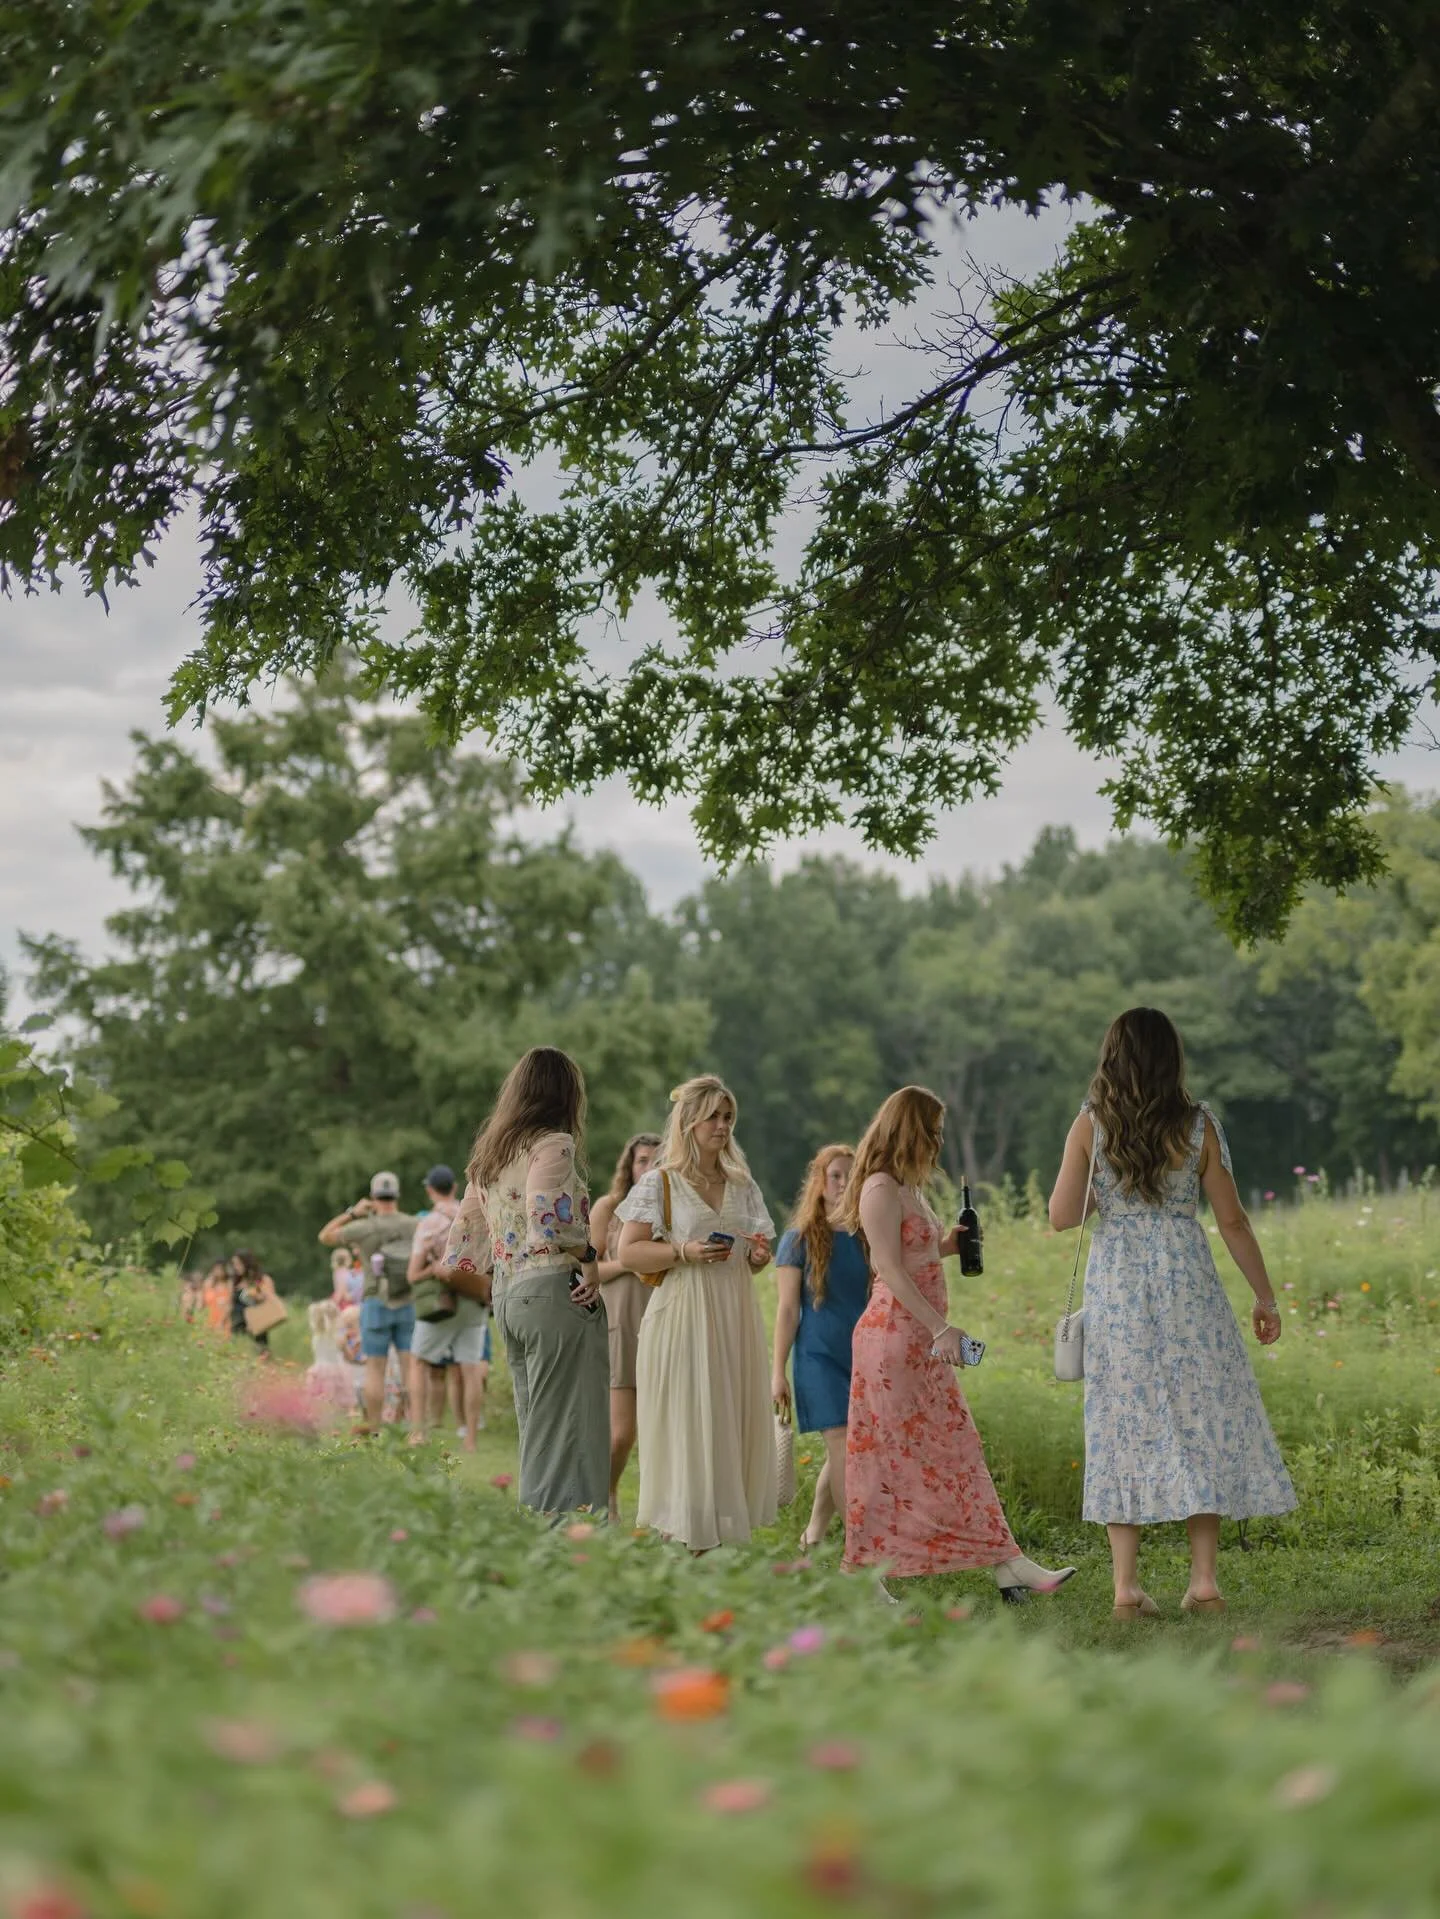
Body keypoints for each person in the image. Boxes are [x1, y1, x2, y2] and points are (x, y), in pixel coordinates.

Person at [1049, 1007, 1296, 1619]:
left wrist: (1104, 1178)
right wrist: (1265, 1297)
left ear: (1112, 1057)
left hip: (1120, 1289)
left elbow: (1060, 1215)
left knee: (1121, 1422)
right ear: (1171, 1058)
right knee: (1201, 1417)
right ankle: (1204, 1580)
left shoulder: (1091, 1124)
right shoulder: (1199, 1125)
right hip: (1189, 1283)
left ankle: (1126, 1588)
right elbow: (1233, 1221)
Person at [842, 1086, 1074, 1599]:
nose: (939, 1141)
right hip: (894, 1340)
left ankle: (1007, 1563)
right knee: (889, 1457)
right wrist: (940, 1328)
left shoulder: (907, 1188)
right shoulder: (879, 1187)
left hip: (920, 1339)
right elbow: (885, 1267)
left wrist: (948, 1245)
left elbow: (915, 1257)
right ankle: (866, 1577)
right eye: (934, 1130)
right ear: (910, 1130)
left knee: (956, 1449)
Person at [616, 1076, 777, 1552]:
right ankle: (683, 1537)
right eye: (713, 1116)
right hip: (684, 1313)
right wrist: (684, 1250)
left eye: (728, 1117)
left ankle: (713, 1539)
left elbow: (757, 1246)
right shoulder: (659, 1182)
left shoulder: (741, 1185)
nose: (722, 1126)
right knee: (690, 1418)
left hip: (733, 1313)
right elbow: (629, 1253)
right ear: (689, 1121)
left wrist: (757, 1257)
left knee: (727, 1415)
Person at [445, 1047, 608, 1514]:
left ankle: (538, 1528)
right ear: (565, 1094)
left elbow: (464, 1237)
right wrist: (589, 1255)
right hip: (554, 1290)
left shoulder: (491, 1156)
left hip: (510, 1297)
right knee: (570, 1422)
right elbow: (546, 1217)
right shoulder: (552, 1144)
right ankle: (566, 1533)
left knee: (537, 1422)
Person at [772, 1143, 870, 1551]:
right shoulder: (798, 1239)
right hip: (818, 1357)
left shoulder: (867, 1235)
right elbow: (787, 1310)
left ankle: (813, 1532)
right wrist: (777, 1372)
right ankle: (861, 1555)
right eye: (836, 1175)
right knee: (844, 1447)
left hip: (864, 1355)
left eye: (851, 1175)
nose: (844, 1182)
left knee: (845, 1451)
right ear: (819, 1181)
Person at [590, 1131, 662, 1520]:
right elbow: (587, 1271)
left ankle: (664, 1513)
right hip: (619, 1323)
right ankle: (607, 1491)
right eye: (642, 1160)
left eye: (656, 1160)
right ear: (630, 1166)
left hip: (662, 1321)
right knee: (621, 1434)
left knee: (661, 1432)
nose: (649, 1167)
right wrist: (631, 1260)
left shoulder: (671, 1212)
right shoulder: (609, 1208)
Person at [318, 1172, 419, 1431]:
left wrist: (354, 1212)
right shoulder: (412, 1224)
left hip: (375, 1302)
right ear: (397, 1195)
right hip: (407, 1299)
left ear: (373, 1197)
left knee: (375, 1367)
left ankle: (374, 1427)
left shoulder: (364, 1227)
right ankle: (417, 1430)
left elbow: (325, 1236)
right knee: (411, 1366)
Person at [408, 1164, 489, 1451]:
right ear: (454, 1188)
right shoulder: (477, 1214)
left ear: (430, 1190)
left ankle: (418, 1433)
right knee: (470, 1368)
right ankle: (470, 1440)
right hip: (477, 1298)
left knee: (419, 1362)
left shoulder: (428, 1223)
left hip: (444, 1303)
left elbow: (412, 1274)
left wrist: (432, 1268)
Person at [228, 1249, 281, 1355]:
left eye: (238, 1264)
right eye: (234, 1264)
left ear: (246, 1263)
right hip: (238, 1326)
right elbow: (230, 1305)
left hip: (256, 1324)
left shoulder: (261, 1279)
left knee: (259, 1353)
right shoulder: (235, 1282)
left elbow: (271, 1299)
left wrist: (257, 1295)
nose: (236, 1267)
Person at [201, 1260, 232, 1334]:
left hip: (222, 1323)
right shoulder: (208, 1284)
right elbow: (203, 1303)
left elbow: (229, 1305)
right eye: (215, 1269)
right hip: (207, 1321)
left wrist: (221, 1322)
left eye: (220, 1269)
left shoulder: (228, 1285)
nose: (217, 1271)